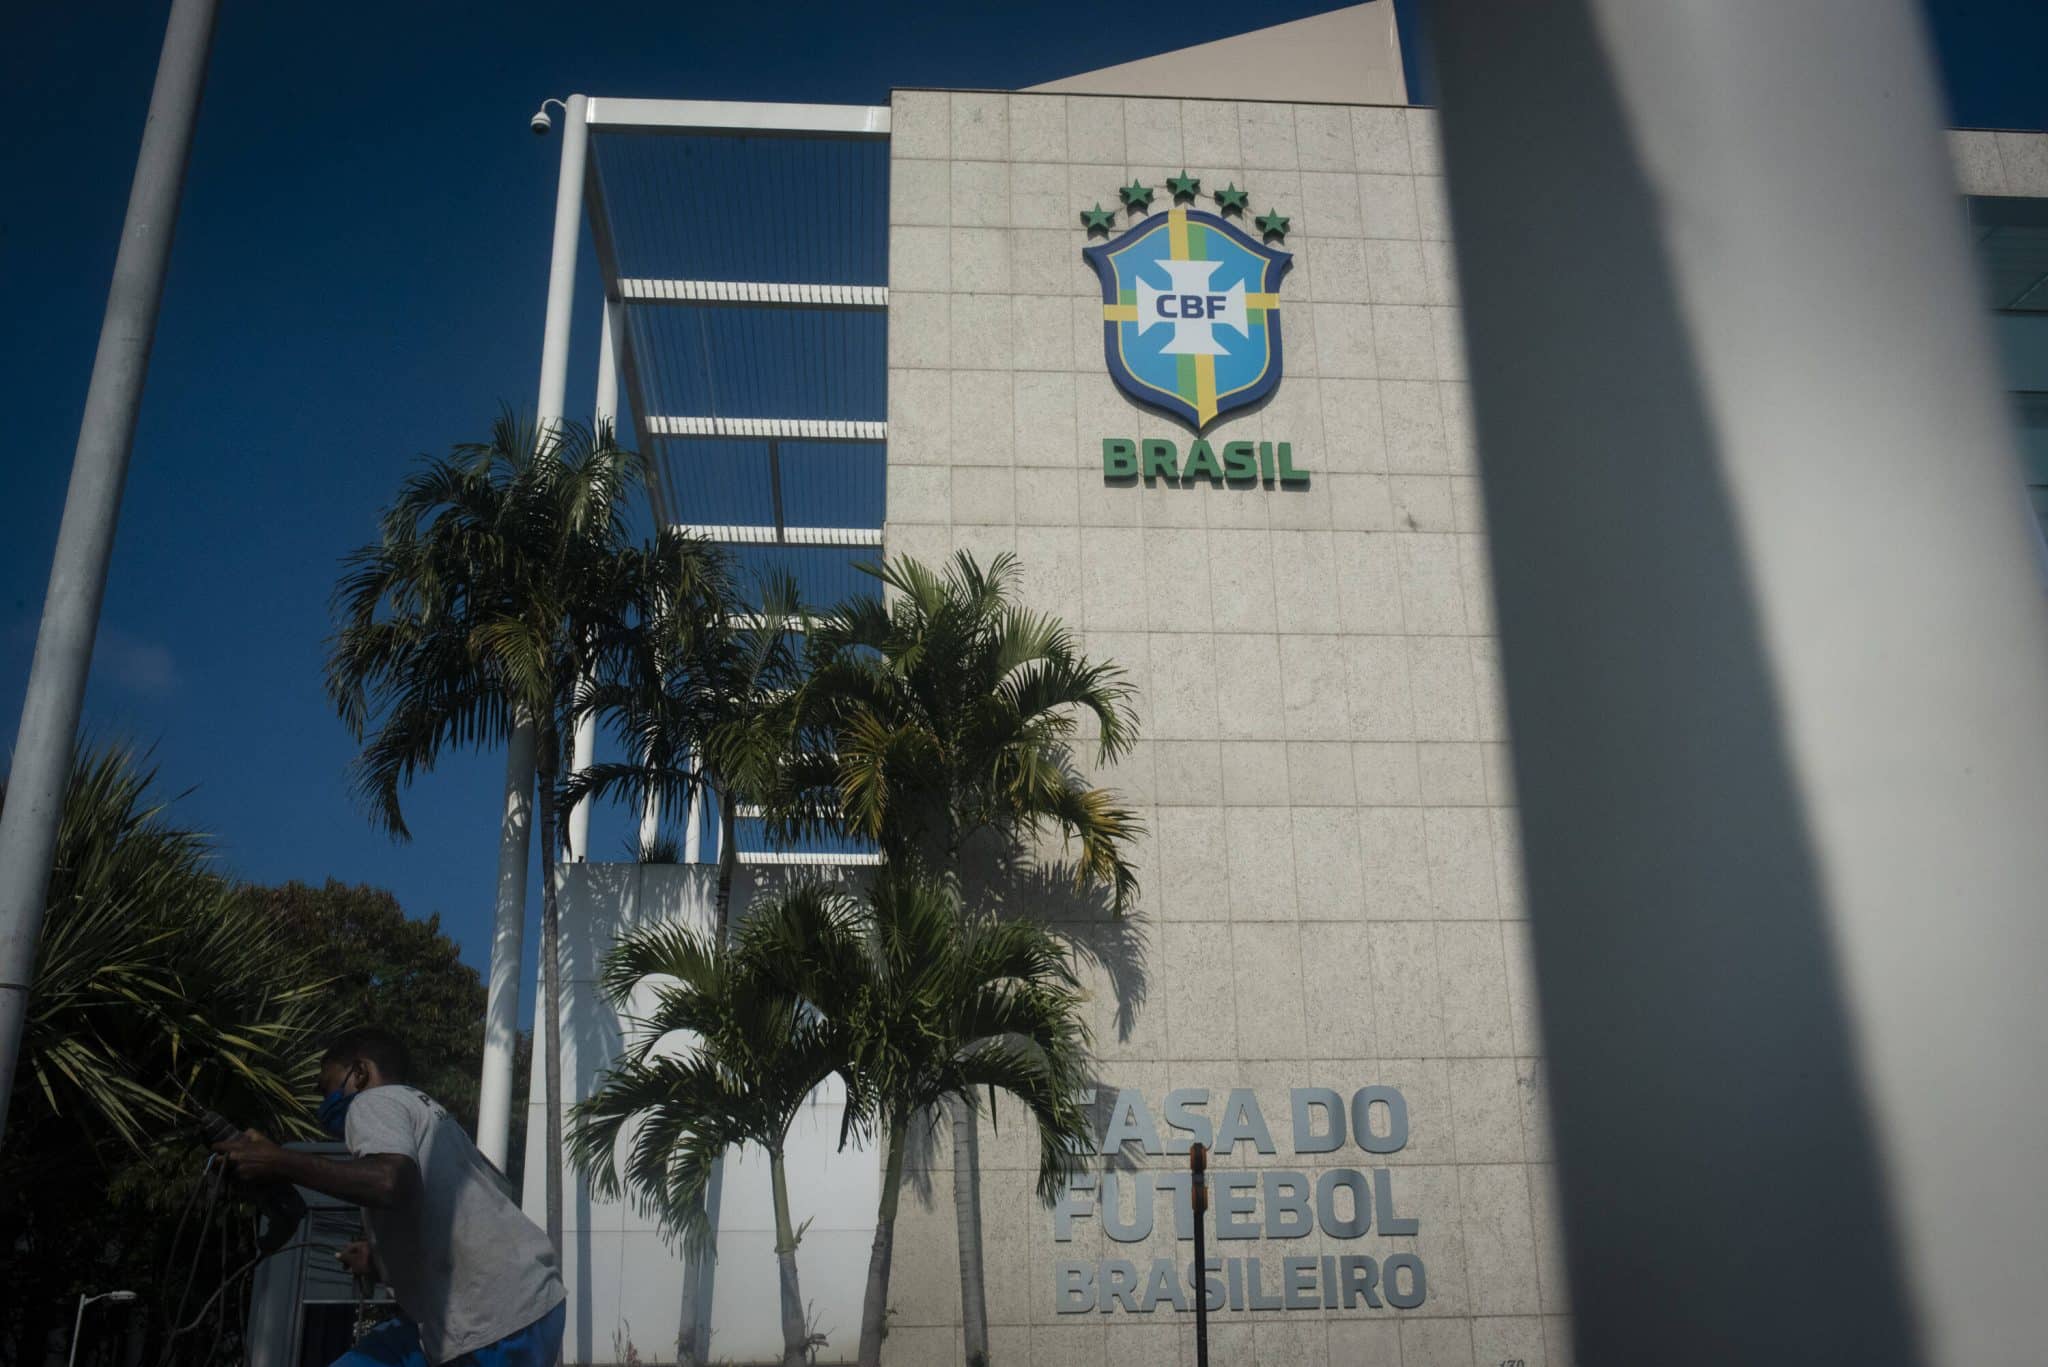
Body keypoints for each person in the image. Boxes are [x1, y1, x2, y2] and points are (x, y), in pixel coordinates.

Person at [214, 1027, 566, 1367]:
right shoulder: (426, 1112)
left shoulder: (373, 1102)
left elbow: (390, 1182)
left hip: (491, 1322)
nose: (325, 1104)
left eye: (327, 1087)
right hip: (515, 1304)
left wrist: (276, 1159)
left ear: (361, 1073)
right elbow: (447, 1212)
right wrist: (377, 1258)